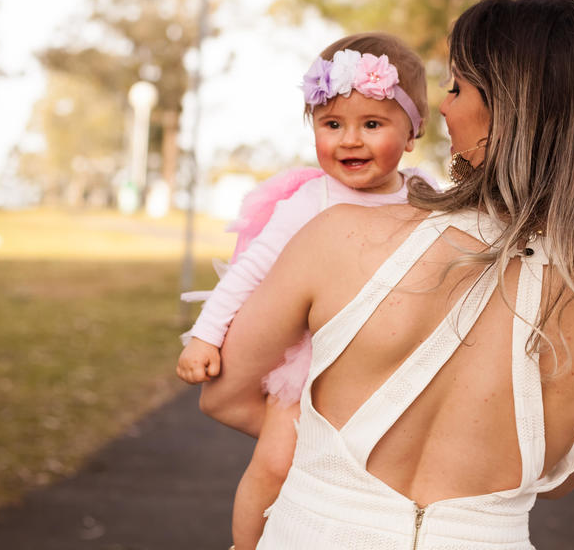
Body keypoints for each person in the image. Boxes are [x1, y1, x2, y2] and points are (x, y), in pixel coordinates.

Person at [201, 0, 574, 549]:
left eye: (456, 88)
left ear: (507, 109)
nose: (446, 109)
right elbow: (557, 482)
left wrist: (330, 463)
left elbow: (223, 395)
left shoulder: (339, 237)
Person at [176, 32, 435, 550]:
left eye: (372, 124)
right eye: (331, 124)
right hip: (311, 362)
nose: (350, 140)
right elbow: (251, 272)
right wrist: (204, 337)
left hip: (386, 356)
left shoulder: (428, 197)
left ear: (412, 134)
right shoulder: (310, 201)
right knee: (276, 461)